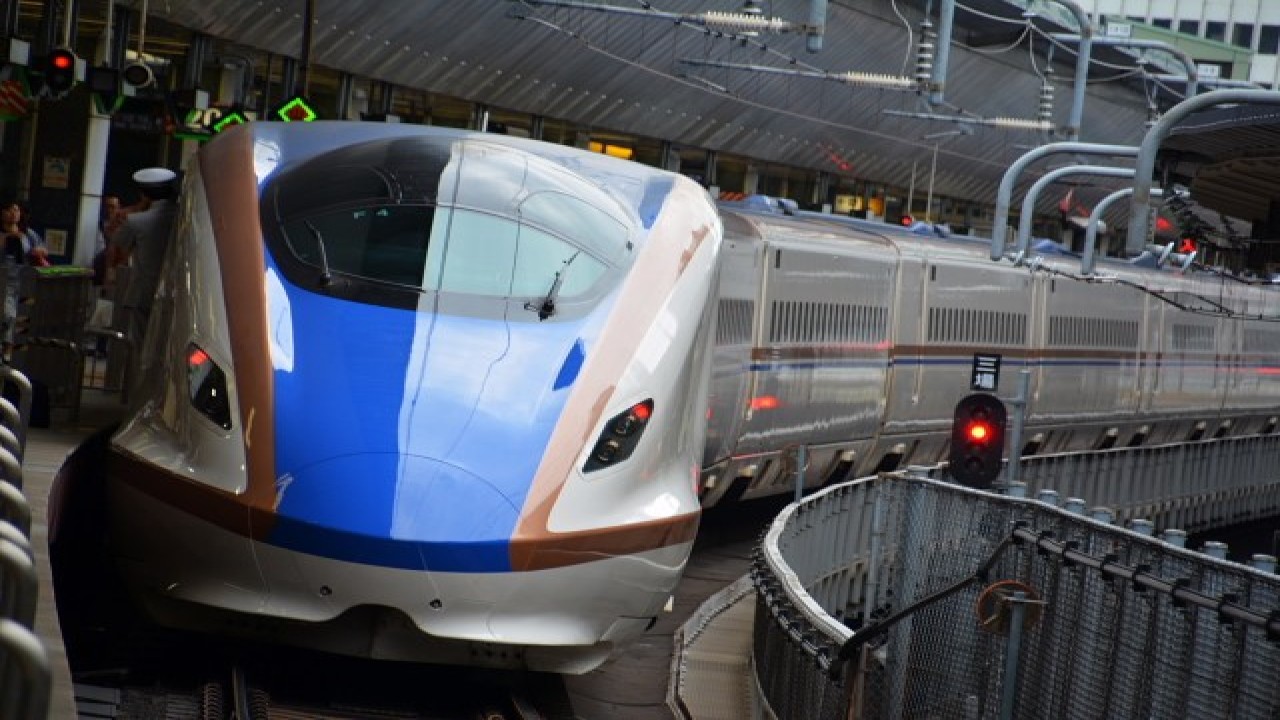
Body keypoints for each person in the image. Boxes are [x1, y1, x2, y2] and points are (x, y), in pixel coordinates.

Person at [112, 167, 178, 348]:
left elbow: (117, 246)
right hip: (177, 295)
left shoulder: (136, 221)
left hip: (143, 295)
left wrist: (137, 209)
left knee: (141, 347)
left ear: (144, 194)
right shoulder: (183, 219)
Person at [0, 200, 48, 266]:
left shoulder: (27, 232)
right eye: (9, 210)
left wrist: (37, 251)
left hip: (24, 272)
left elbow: (44, 250)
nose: (13, 213)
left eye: (16, 210)